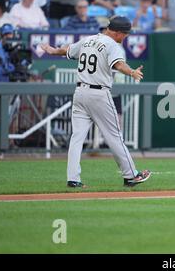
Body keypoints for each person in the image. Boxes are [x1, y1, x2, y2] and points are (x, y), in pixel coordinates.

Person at [40, 16, 152, 188]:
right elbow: (119, 65)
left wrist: (52, 50)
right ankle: (131, 175)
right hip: (99, 94)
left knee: (77, 138)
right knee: (114, 136)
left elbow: (67, 50)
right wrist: (131, 72)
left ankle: (73, 179)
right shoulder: (112, 45)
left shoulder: (88, 40)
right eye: (125, 34)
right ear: (117, 32)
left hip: (80, 92)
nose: (125, 38)